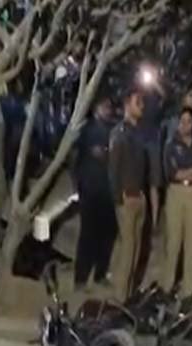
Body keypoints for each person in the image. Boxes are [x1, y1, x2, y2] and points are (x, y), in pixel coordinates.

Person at [109, 88, 155, 303]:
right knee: (128, 250)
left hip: (139, 196)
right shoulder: (120, 133)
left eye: (142, 102)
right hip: (127, 198)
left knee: (136, 250)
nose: (142, 106)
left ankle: (128, 294)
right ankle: (120, 298)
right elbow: (113, 170)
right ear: (127, 105)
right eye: (138, 102)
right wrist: (119, 198)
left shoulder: (138, 133)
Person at [160, 108, 192, 305]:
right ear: (178, 123)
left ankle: (188, 290)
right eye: (183, 121)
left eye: (189, 121)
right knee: (174, 242)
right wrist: (191, 172)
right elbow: (172, 173)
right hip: (176, 193)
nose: (185, 125)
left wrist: (187, 172)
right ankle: (167, 286)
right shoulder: (171, 145)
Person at [73, 95, 117, 291]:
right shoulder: (87, 130)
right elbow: (80, 157)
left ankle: (100, 274)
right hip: (91, 189)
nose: (108, 109)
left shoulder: (113, 129)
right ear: (96, 108)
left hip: (108, 190)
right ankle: (80, 279)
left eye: (109, 106)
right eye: (105, 106)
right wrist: (78, 184)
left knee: (107, 234)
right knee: (88, 235)